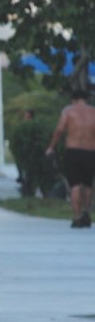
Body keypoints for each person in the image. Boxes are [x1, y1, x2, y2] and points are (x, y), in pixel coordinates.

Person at [45, 90, 95, 228]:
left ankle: (77, 217)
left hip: (73, 152)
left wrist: (51, 147)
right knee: (88, 185)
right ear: (87, 99)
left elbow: (59, 130)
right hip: (91, 152)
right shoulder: (93, 111)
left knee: (75, 186)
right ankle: (86, 212)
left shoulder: (68, 111)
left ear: (73, 99)